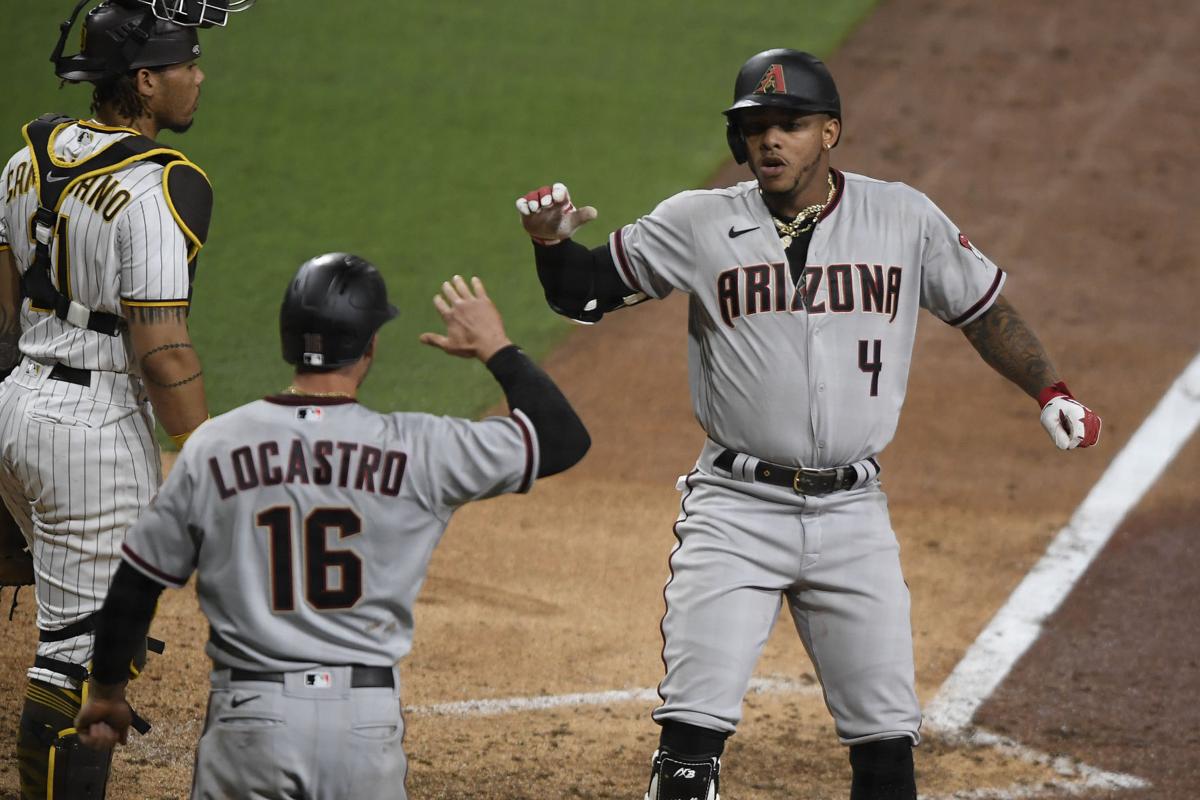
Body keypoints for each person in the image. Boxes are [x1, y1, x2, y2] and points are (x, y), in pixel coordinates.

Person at [513, 49, 1100, 800]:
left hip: (855, 515)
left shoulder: (902, 216)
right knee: (690, 744)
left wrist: (1049, 388)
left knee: (887, 746)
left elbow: (983, 310)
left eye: (789, 123)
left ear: (831, 132)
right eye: (755, 126)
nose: (770, 140)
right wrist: (551, 244)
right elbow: (585, 297)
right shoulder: (699, 221)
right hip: (735, 511)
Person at [72, 253, 590, 798]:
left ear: (286, 338)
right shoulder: (421, 449)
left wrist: (106, 690)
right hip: (362, 728)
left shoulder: (215, 446)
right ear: (370, 346)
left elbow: (137, 579)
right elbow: (560, 438)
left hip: (250, 722)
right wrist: (496, 347)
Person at [0, 1, 250, 796]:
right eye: (185, 65)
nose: (198, 77)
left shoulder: (22, 159)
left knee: (92, 631)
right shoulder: (156, 188)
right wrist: (206, 454)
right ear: (145, 83)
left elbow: (1, 308)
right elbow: (162, 346)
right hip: (90, 432)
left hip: (14, 407)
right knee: (80, 657)